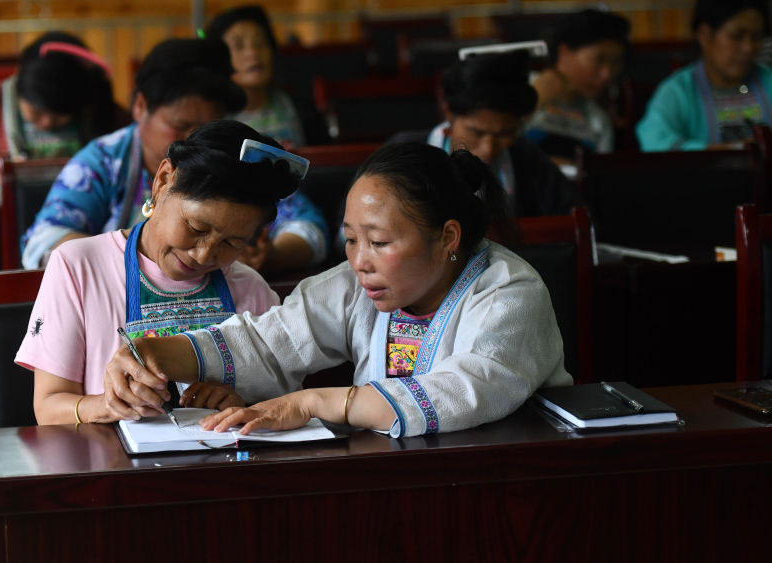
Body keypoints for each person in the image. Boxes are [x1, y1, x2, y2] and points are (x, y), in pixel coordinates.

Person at [102, 143, 572, 437]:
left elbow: (466, 390)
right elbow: (270, 340)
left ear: (448, 237)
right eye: (350, 239)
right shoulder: (356, 285)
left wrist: (313, 402)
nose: (359, 260)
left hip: (511, 494)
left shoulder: (510, 293)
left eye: (380, 242)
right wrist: (153, 353)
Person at [16, 120, 305, 425]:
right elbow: (48, 407)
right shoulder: (78, 267)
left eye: (232, 243)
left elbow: (285, 405)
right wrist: (109, 404)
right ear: (163, 180)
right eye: (197, 228)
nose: (204, 254)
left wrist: (241, 403)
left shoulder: (250, 289)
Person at [21, 37, 329, 274]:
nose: (194, 139)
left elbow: (308, 227)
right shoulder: (103, 162)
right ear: (140, 107)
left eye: (207, 127)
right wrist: (141, 258)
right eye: (180, 126)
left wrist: (272, 256)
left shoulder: (237, 155)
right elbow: (45, 239)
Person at [0, 31, 125, 201]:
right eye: (37, 112)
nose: (47, 123)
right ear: (19, 92)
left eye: (59, 117)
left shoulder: (97, 106)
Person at [427, 51, 581, 217]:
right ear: (449, 113)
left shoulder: (525, 157)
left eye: (505, 133)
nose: (489, 149)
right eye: (477, 132)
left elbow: (575, 215)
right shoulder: (415, 161)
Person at [637, 0, 771, 151]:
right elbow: (655, 144)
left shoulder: (769, 81)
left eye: (757, 37)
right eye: (736, 36)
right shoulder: (678, 92)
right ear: (705, 35)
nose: (748, 48)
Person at [207, 4, 331, 148]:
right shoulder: (211, 120)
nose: (253, 52)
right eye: (239, 46)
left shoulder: (301, 111)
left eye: (260, 43)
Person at [525, 9, 629, 158]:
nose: (607, 74)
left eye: (616, 62)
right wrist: (532, 102)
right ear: (564, 52)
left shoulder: (598, 121)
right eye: (598, 60)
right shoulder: (518, 90)